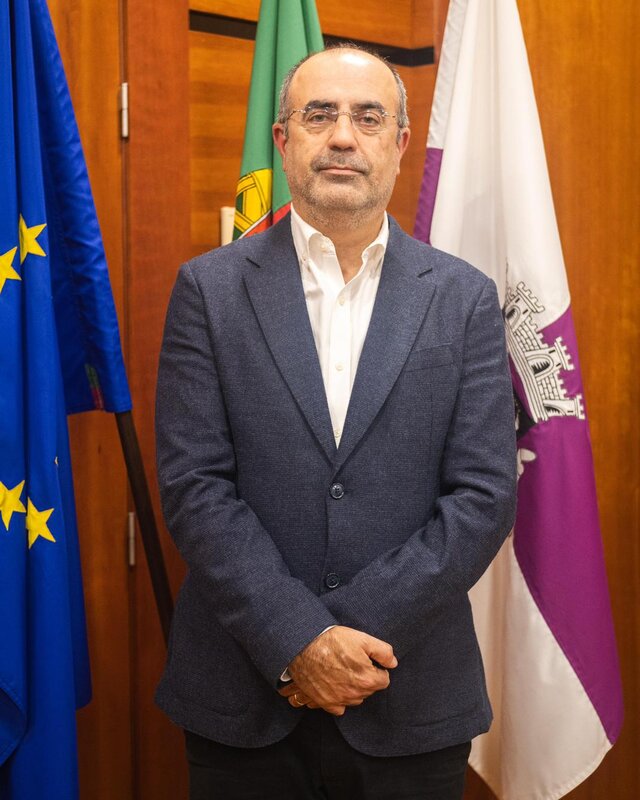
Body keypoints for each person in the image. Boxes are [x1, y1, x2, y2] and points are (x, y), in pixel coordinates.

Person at [155, 44, 517, 800]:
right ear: (283, 139)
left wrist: (340, 639)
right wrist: (295, 639)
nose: (343, 136)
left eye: (368, 117)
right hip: (244, 702)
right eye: (319, 115)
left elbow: (484, 495)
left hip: (410, 697)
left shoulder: (464, 298)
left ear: (400, 142)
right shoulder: (208, 291)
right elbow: (195, 487)